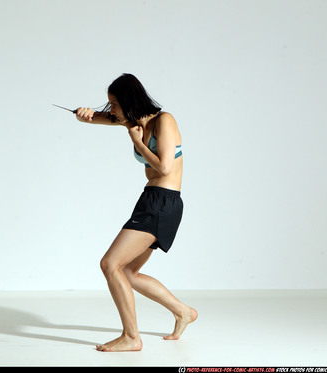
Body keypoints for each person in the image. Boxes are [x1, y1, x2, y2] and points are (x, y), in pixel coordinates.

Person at [75, 73, 197, 352]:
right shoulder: (133, 122)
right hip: (151, 200)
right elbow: (97, 118)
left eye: (114, 103)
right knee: (128, 271)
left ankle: (131, 337)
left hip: (163, 202)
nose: (112, 110)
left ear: (129, 101)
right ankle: (183, 312)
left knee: (109, 264)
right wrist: (85, 115)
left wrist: (138, 142)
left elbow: (165, 168)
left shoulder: (164, 121)